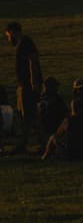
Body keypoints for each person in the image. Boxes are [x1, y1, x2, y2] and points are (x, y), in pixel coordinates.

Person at [4, 21, 43, 153]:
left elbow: (33, 61)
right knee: (26, 115)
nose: (9, 39)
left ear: (13, 32)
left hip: (27, 85)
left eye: (8, 35)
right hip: (23, 84)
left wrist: (33, 83)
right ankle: (27, 143)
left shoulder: (25, 42)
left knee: (28, 115)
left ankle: (34, 143)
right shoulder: (23, 43)